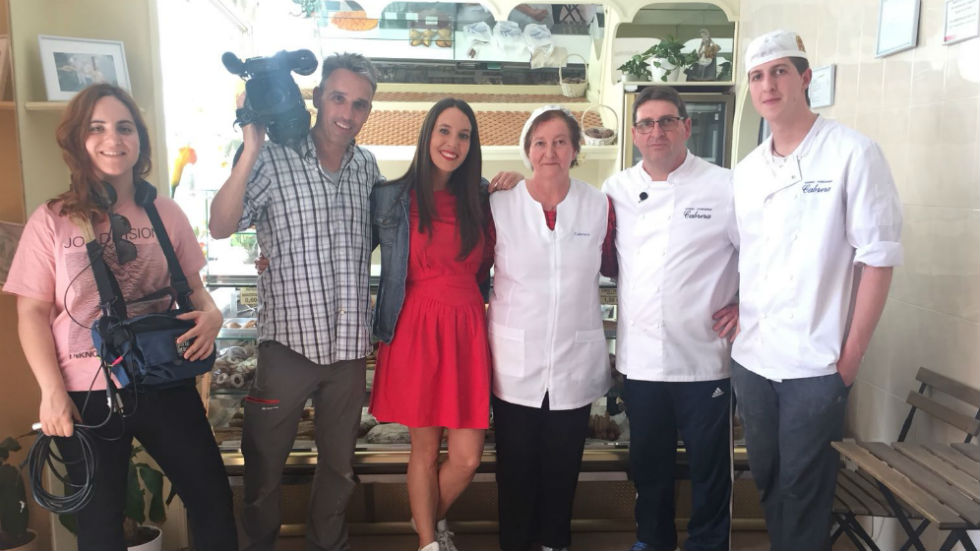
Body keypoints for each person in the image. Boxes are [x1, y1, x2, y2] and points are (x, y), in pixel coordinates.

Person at [3, 83, 237, 550]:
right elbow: (31, 312)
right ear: (78, 140)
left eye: (124, 127)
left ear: (140, 140)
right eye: (97, 128)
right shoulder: (52, 220)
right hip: (85, 393)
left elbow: (194, 289)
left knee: (212, 499)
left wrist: (212, 315)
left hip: (163, 378)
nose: (113, 139)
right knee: (98, 524)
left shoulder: (166, 212)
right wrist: (51, 392)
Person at [732, 30, 903, 550]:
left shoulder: (852, 153)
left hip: (816, 366)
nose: (768, 85)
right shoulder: (747, 171)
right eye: (757, 76)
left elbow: (878, 260)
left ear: (805, 78)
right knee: (768, 481)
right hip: (753, 361)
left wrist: (849, 359)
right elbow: (746, 255)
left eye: (779, 72)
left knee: (805, 494)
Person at [208, 52, 382, 551]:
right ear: (318, 97)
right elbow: (220, 225)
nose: (347, 113)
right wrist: (250, 147)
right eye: (338, 98)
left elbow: (372, 237)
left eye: (360, 104)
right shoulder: (271, 159)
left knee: (339, 469)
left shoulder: (367, 167)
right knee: (263, 467)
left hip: (348, 351)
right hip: (287, 347)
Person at [601, 86, 738, 551]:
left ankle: (708, 544)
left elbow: (761, 254)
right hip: (641, 361)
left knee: (710, 469)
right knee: (648, 465)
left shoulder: (725, 186)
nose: (656, 131)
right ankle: (652, 540)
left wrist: (745, 304)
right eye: (646, 123)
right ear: (635, 133)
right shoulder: (616, 189)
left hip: (705, 359)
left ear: (687, 127)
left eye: (666, 121)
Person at [487, 105, 616, 551]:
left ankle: (555, 544)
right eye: (540, 143)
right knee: (515, 473)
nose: (550, 152)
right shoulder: (499, 204)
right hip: (514, 365)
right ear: (527, 151)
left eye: (561, 141)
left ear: (576, 150)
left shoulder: (599, 205)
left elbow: (620, 267)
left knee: (562, 472)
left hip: (574, 362)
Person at [370, 98, 493, 551]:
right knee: (423, 451)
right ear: (427, 135)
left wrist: (518, 183)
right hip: (416, 329)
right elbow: (348, 249)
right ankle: (428, 542)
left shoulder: (483, 197)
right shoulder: (391, 196)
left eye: (463, 135)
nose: (452, 143)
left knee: (467, 457)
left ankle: (427, 516)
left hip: (467, 330)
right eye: (444, 130)